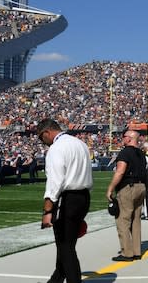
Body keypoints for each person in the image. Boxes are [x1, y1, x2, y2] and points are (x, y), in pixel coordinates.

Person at [37, 118, 92, 283]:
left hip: (67, 199)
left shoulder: (56, 148)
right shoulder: (80, 144)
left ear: (47, 132)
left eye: (41, 137)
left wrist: (47, 210)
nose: (42, 142)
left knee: (65, 247)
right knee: (67, 245)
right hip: (83, 196)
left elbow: (55, 181)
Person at [106, 130, 147, 262]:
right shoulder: (141, 153)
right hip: (141, 186)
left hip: (128, 187)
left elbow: (120, 171)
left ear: (129, 138)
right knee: (136, 220)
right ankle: (136, 251)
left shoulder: (125, 152)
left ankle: (127, 253)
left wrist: (110, 188)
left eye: (124, 137)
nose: (122, 139)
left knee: (123, 220)